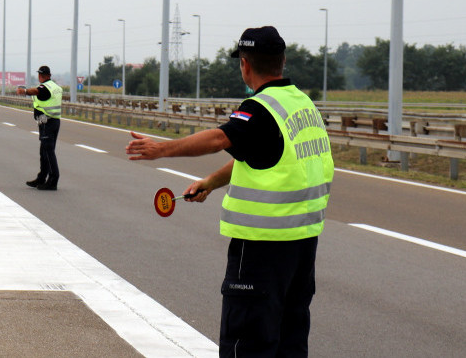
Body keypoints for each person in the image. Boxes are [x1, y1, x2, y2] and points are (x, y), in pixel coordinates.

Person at [126, 26, 333, 357]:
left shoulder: (259, 108)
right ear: (282, 62)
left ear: (245, 65)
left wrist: (162, 149)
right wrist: (210, 182)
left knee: (247, 344)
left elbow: (221, 138)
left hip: (261, 248)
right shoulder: (302, 105)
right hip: (301, 247)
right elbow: (265, 159)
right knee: (289, 343)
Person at [17, 65, 63, 190]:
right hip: (53, 121)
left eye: (41, 75)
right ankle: (42, 178)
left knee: (48, 152)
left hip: (47, 122)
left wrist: (25, 91)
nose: (40, 77)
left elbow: (37, 91)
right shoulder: (56, 87)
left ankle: (53, 180)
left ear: (42, 76)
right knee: (44, 152)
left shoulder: (45, 87)